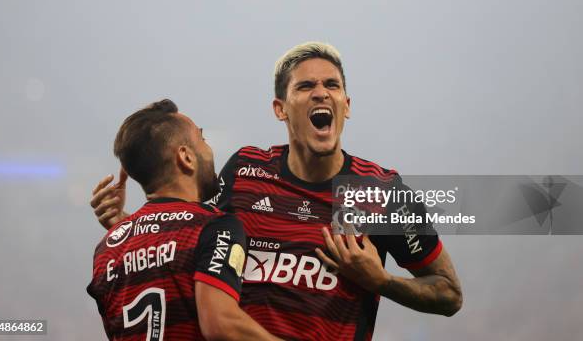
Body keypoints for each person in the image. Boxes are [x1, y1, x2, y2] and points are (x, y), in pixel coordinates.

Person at [91, 43, 462, 340]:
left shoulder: (380, 191)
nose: (321, 93)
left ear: (346, 106)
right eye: (305, 86)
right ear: (280, 109)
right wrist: (133, 227)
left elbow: (449, 294)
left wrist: (381, 281)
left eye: (332, 85)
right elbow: (191, 238)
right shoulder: (246, 170)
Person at [87, 99, 281, 341]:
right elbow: (221, 324)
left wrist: (129, 229)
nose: (209, 149)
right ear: (186, 157)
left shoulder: (106, 249)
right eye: (202, 139)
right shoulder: (215, 225)